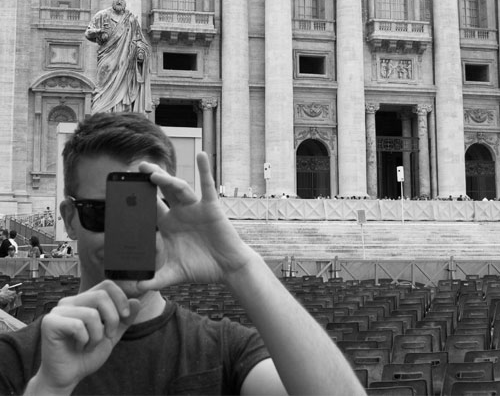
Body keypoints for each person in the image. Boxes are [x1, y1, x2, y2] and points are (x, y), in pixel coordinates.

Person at [0, 112, 365, 395]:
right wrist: (49, 387)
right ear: (70, 219)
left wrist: (239, 265)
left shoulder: (226, 349)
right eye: (102, 212)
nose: (126, 233)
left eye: (144, 211)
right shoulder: (13, 358)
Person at [85, 0, 152, 114]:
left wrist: (140, 51)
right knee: (102, 87)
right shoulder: (102, 15)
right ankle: (101, 112)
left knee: (123, 88)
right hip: (107, 59)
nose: (119, 1)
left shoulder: (131, 19)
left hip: (125, 62)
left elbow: (139, 39)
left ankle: (120, 113)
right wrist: (99, 31)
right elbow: (88, 33)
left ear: (125, 1)